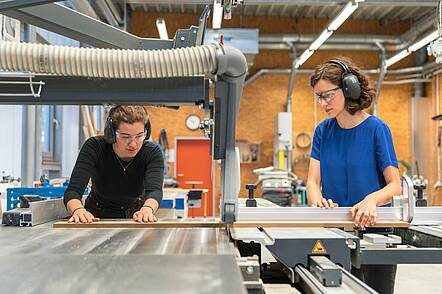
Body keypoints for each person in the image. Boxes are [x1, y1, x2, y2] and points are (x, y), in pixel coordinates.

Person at [306, 58, 402, 294]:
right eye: (319, 97)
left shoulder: (377, 129)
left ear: (349, 88)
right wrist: (317, 201)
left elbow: (395, 185)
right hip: (336, 230)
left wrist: (371, 200)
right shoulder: (323, 131)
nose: (323, 103)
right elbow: (312, 182)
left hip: (376, 233)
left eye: (328, 95)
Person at [64, 105, 164, 223]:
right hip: (96, 216)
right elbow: (73, 191)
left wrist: (148, 209)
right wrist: (78, 210)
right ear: (111, 133)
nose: (133, 144)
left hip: (136, 217)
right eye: (125, 137)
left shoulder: (151, 152)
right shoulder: (94, 147)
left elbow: (155, 191)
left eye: (139, 136)